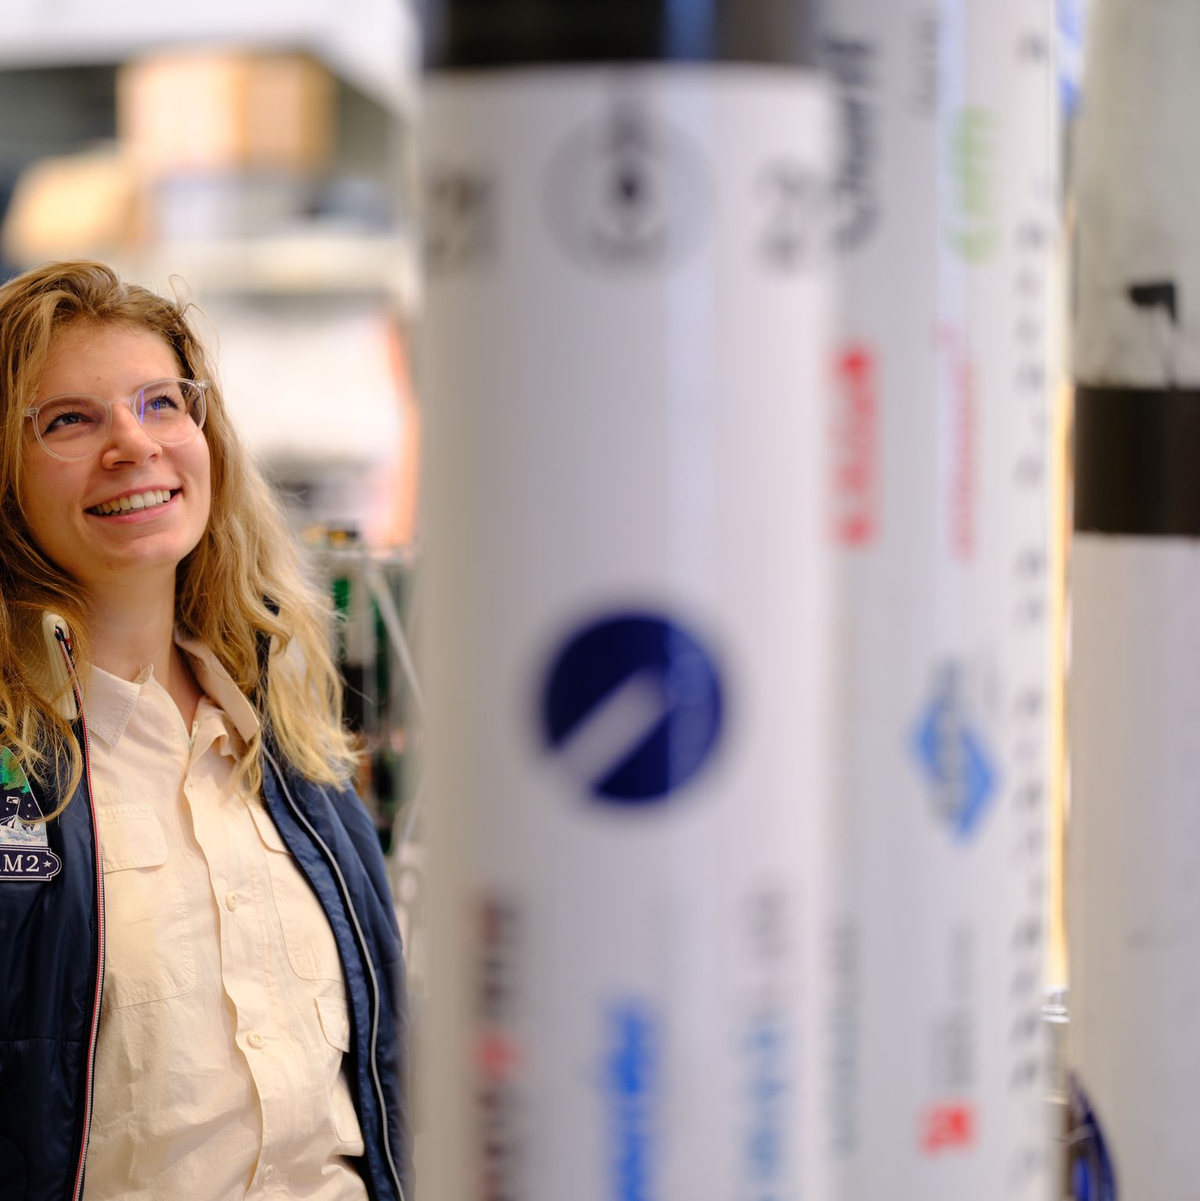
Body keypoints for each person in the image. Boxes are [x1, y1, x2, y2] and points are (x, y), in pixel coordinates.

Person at [0, 261, 412, 1201]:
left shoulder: (288, 736)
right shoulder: (20, 771)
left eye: (160, 404)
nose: (132, 445)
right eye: (69, 419)